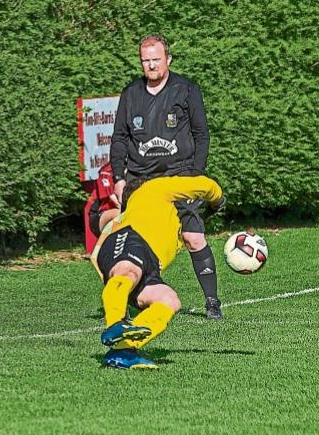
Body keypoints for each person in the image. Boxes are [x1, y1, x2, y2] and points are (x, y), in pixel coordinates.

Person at [109, 34, 223, 320]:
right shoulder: (130, 94)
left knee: (193, 236)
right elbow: (119, 139)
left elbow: (201, 133)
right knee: (133, 243)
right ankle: (123, 304)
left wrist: (194, 175)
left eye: (156, 60)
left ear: (168, 59)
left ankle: (212, 303)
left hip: (178, 174)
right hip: (140, 181)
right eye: (145, 61)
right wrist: (118, 178)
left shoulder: (186, 90)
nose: (151, 66)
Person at [93, 174, 225, 369]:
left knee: (169, 299)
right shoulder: (152, 188)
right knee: (129, 270)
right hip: (131, 238)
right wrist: (218, 201)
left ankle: (123, 351)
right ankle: (115, 324)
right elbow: (205, 185)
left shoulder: (170, 219)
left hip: (150, 264)